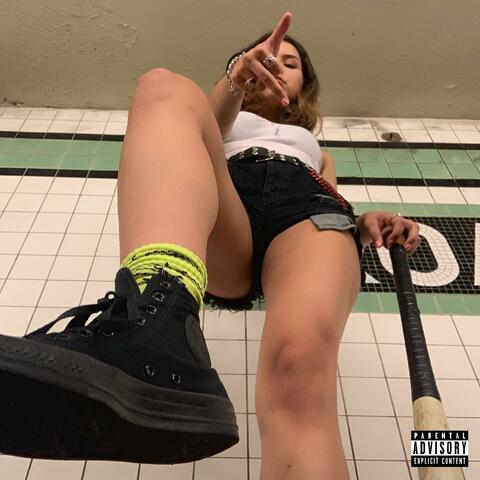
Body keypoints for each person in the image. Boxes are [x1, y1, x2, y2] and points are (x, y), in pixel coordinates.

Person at [0, 10, 421, 479]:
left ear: (305, 84)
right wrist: (236, 79)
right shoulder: (226, 113)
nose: (279, 66)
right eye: (270, 58)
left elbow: (328, 197)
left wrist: (364, 224)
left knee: (299, 372)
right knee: (163, 86)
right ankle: (155, 335)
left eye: (291, 63)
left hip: (308, 215)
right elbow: (211, 133)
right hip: (228, 208)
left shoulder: (316, 150)